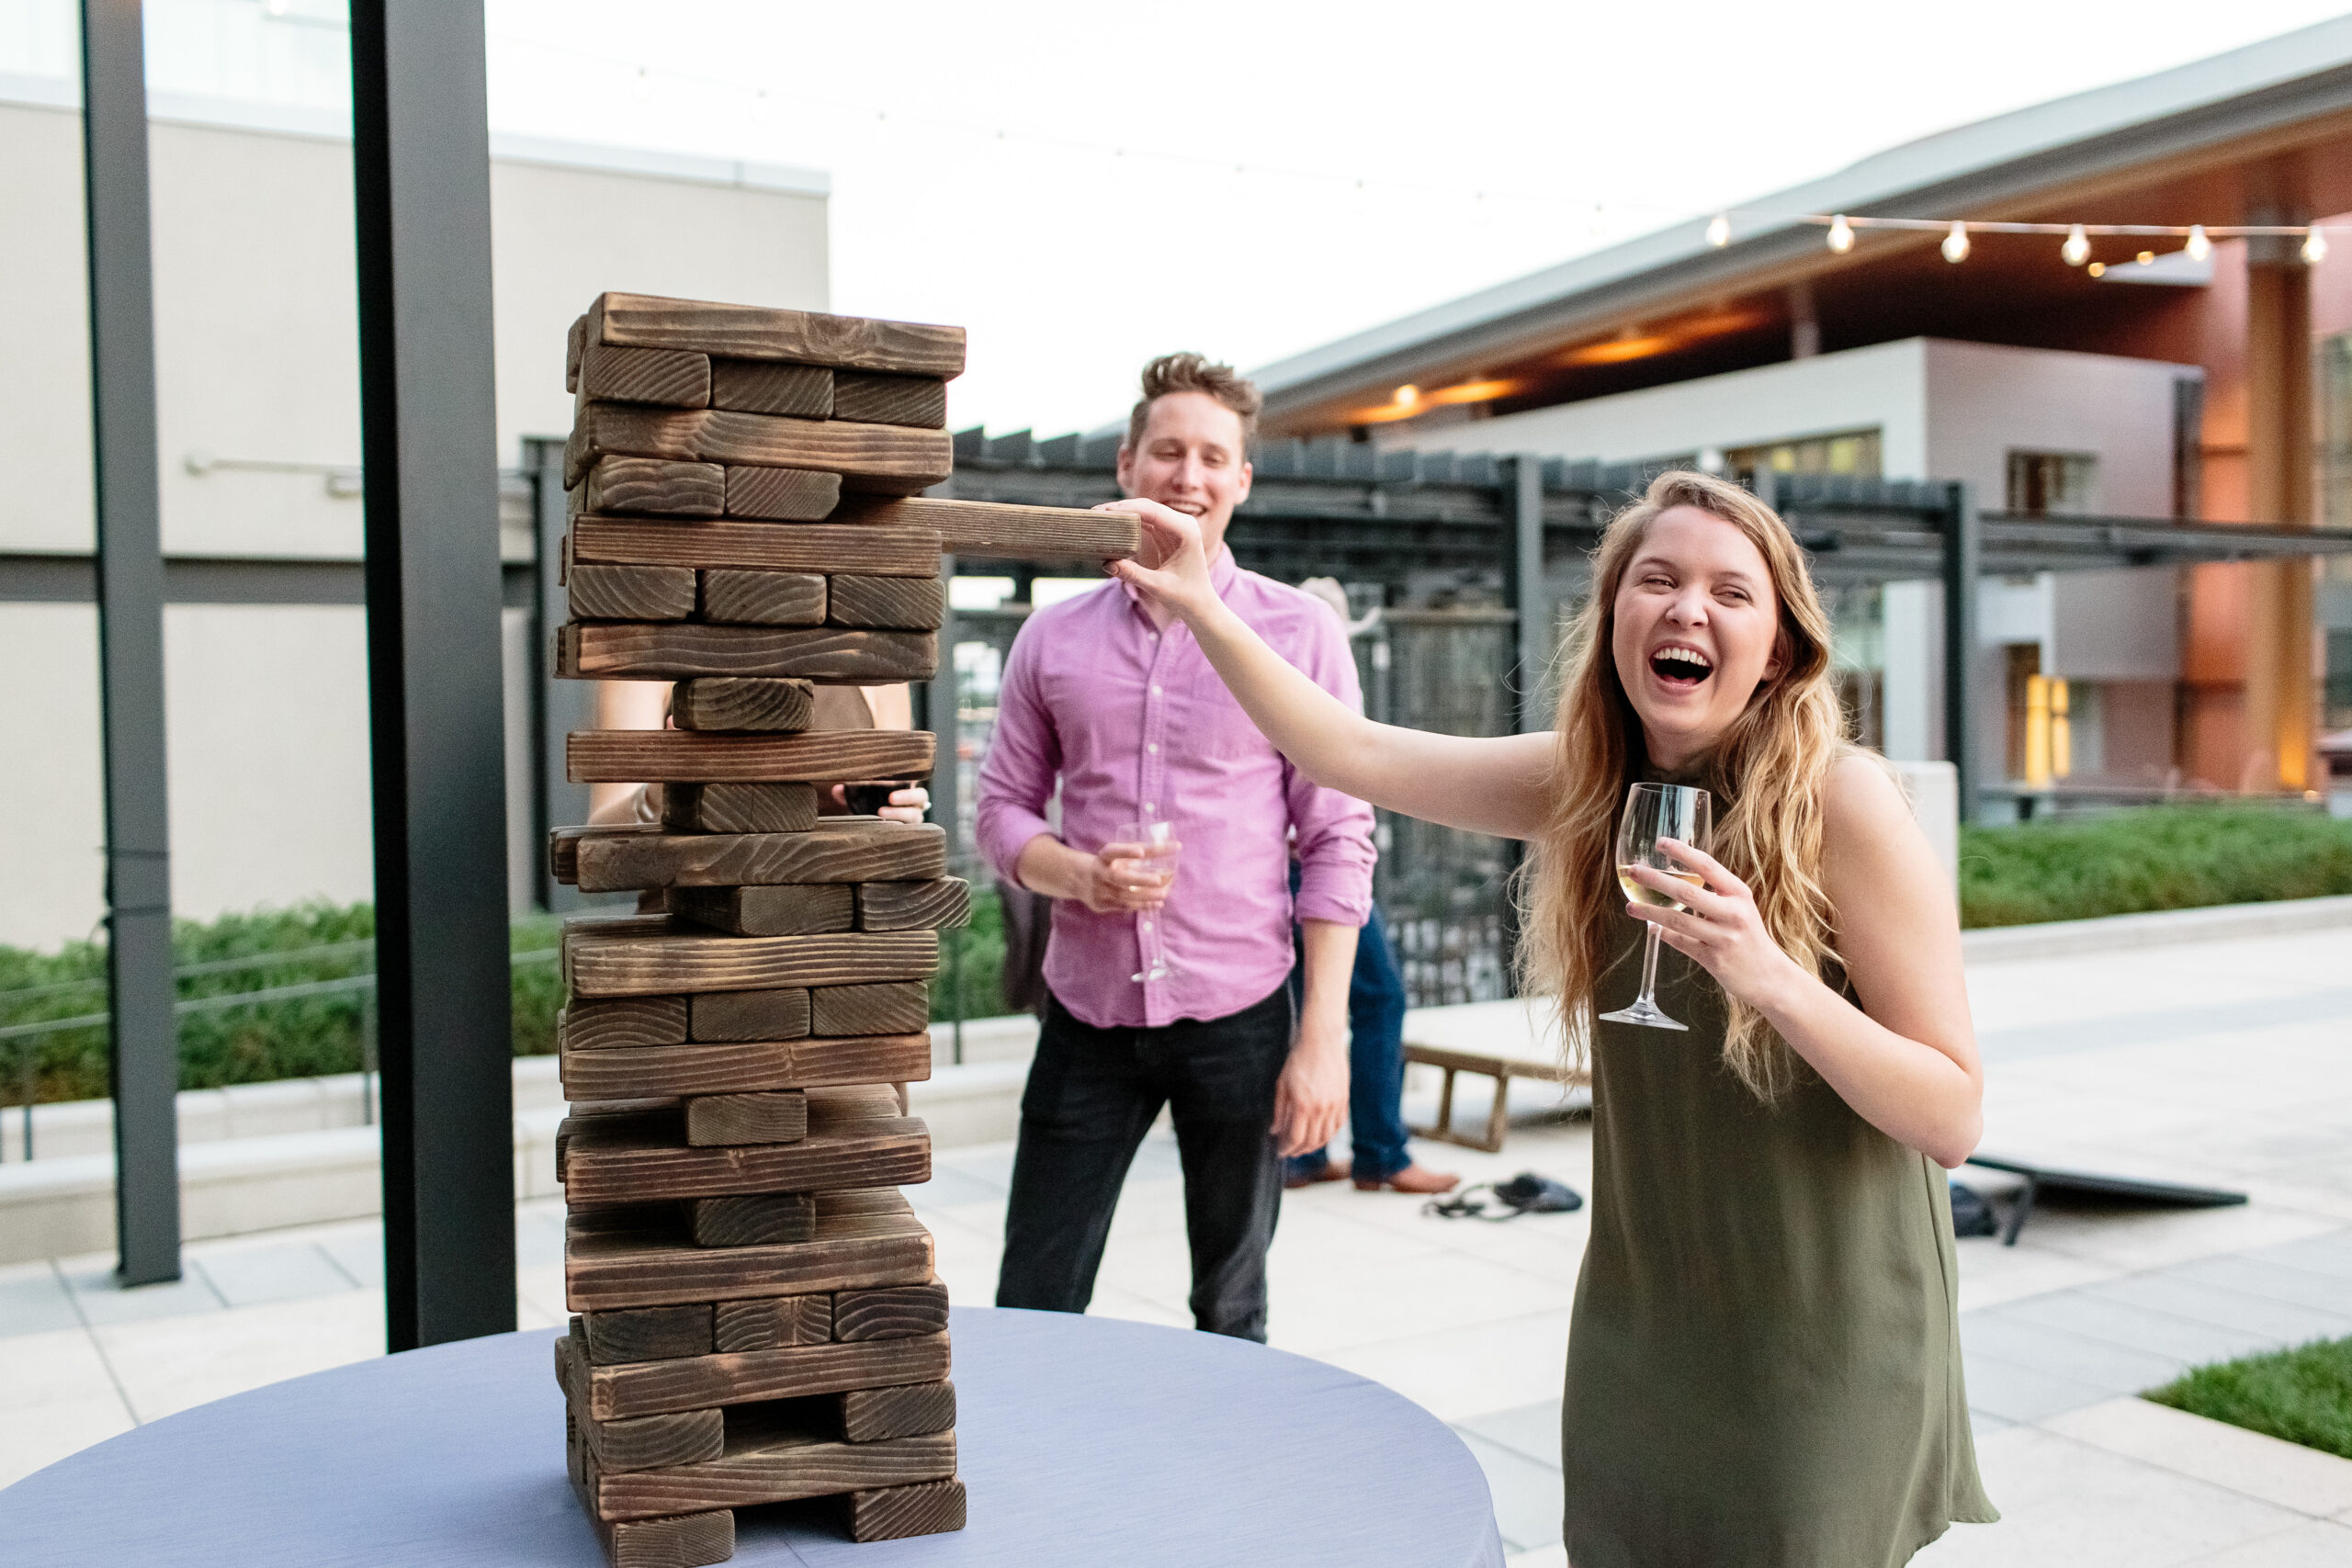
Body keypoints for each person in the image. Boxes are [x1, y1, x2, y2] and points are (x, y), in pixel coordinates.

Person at [1105, 470, 1996, 1564]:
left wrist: (1766, 975)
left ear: (1776, 650)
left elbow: (1952, 1115)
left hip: (1819, 1328)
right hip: (1647, 1312)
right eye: (1656, 581)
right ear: (1614, 616)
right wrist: (1200, 604)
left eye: (1730, 593)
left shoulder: (1841, 803)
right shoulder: (1591, 784)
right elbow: (1355, 754)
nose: (1686, 610)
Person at [976, 353, 1375, 1342]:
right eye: (1167, 451)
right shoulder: (1050, 639)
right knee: (1035, 1292)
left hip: (1241, 1016)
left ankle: (1227, 1489)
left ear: (1241, 478)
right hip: (1086, 1013)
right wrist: (1073, 874)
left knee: (1231, 1303)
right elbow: (998, 810)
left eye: (1212, 456)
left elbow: (1337, 835)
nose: (1186, 476)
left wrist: (1322, 1037)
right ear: (1128, 463)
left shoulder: (1302, 633)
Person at [1281, 578, 1456, 1197]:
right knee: (1380, 997)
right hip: (1316, 863)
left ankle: (1304, 1152)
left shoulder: (1271, 683)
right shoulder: (1308, 690)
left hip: (1291, 866)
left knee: (1306, 1004)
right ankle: (1381, 1151)